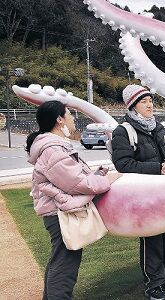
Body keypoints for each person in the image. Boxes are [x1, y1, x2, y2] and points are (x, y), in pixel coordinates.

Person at [26, 100, 121, 299]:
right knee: (64, 264)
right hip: (59, 214)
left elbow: (71, 178)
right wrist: (106, 180)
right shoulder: (53, 149)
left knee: (60, 260)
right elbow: (78, 184)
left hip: (57, 211)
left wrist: (96, 174)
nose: (72, 119)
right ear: (59, 120)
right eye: (69, 114)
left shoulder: (54, 146)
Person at [111, 84, 165, 300]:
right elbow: (124, 164)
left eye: (151, 101)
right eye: (144, 102)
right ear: (133, 106)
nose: (150, 105)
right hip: (144, 195)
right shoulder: (123, 131)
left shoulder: (157, 127)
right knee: (152, 238)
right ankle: (154, 283)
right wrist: (158, 168)